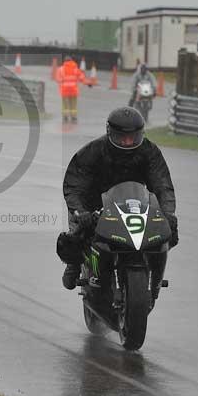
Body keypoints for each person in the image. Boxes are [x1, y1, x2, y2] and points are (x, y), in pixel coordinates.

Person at [59, 107, 178, 290]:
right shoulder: (92, 151)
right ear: (110, 133)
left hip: (134, 205)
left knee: (169, 229)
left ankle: (154, 277)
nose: (128, 142)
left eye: (133, 137)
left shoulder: (150, 152)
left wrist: (167, 212)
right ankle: (75, 264)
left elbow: (162, 184)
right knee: (77, 235)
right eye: (122, 138)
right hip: (94, 206)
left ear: (141, 134)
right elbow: (75, 185)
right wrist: (80, 212)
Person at [57, 55, 86, 122]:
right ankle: (73, 118)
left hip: (64, 90)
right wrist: (87, 83)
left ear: (64, 61)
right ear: (71, 61)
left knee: (65, 105)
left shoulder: (61, 69)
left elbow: (58, 79)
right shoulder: (75, 69)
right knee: (73, 105)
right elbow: (82, 77)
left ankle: (65, 118)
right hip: (74, 90)